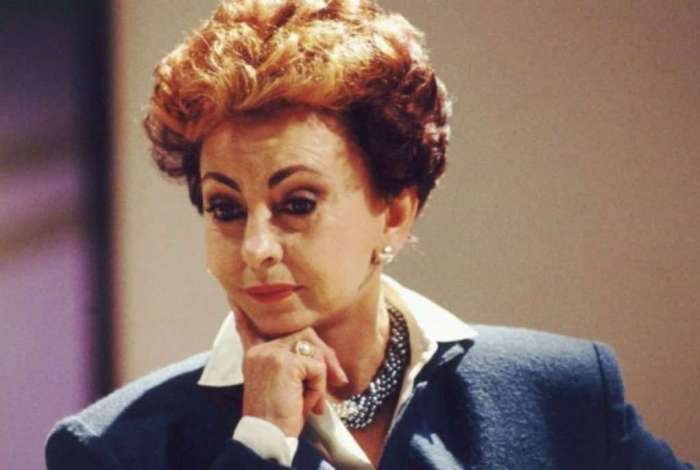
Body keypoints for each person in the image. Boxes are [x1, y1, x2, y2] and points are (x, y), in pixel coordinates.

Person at [46, 0, 693, 468]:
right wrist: (262, 441)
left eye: (297, 204)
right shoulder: (114, 447)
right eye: (225, 208)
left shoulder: (559, 393)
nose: (256, 248)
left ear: (396, 213)